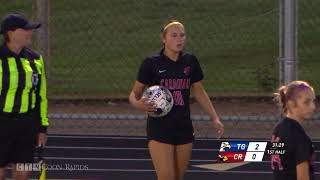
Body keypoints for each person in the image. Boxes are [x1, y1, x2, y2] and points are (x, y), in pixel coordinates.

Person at [129, 20, 224, 180]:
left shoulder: (190, 61)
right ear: (163, 39)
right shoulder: (151, 63)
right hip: (160, 127)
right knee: (166, 177)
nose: (179, 39)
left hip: (184, 126)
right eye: (174, 35)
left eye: (182, 35)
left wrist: (214, 117)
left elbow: (199, 92)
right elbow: (134, 94)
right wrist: (138, 104)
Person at [0, 13, 49, 180]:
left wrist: (42, 127)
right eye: (25, 29)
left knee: (23, 173)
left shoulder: (35, 59)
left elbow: (41, 96)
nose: (30, 33)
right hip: (2, 123)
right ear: (10, 33)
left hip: (27, 125)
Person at [271, 80, 316, 180]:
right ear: (291, 104)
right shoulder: (299, 137)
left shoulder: (279, 129)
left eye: (313, 101)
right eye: (307, 102)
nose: (313, 107)